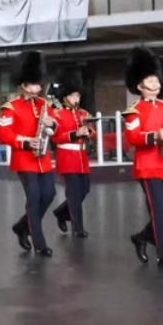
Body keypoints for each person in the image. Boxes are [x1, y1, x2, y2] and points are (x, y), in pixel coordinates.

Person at [123, 48, 163, 270]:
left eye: (156, 80)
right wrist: (155, 136)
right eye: (150, 80)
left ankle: (143, 237)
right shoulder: (133, 111)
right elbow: (133, 137)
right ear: (139, 86)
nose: (155, 84)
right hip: (148, 166)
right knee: (159, 211)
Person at [0, 50, 57, 256]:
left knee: (49, 195)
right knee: (34, 197)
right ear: (23, 84)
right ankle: (40, 243)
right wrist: (25, 142)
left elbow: (55, 127)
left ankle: (23, 226)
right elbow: (4, 134)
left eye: (40, 84)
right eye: (35, 84)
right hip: (24, 160)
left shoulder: (44, 105)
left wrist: (52, 123)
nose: (39, 87)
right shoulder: (10, 107)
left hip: (44, 158)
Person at [50, 69, 94, 238]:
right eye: (73, 96)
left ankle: (61, 213)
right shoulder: (58, 115)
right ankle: (78, 228)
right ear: (65, 97)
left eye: (78, 96)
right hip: (67, 158)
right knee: (74, 194)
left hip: (82, 158)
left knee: (85, 189)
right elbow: (56, 138)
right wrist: (75, 134)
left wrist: (89, 131)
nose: (77, 99)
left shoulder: (83, 114)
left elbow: (93, 132)